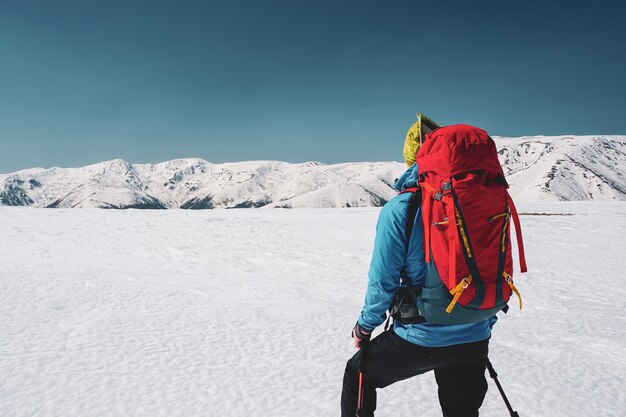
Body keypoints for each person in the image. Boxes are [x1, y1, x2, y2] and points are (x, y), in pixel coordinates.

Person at [340, 118, 497, 417]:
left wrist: (365, 326)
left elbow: (383, 280)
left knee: (358, 373)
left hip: (422, 336)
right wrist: (479, 320)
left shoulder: (402, 207)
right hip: (475, 334)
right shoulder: (481, 202)